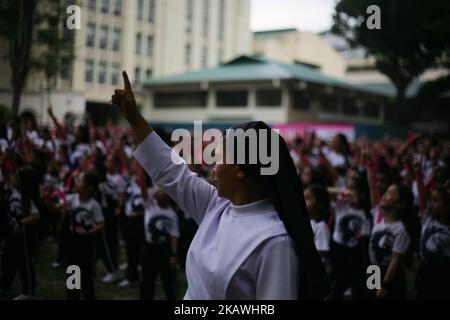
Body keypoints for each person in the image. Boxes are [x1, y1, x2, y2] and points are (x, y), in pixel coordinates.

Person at [111, 71, 328, 299]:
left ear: (240, 170)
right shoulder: (217, 206)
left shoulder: (275, 242)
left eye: (219, 157)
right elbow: (171, 171)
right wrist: (134, 118)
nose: (213, 165)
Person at [0, 167, 40, 300]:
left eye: (16, 176)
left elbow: (35, 215)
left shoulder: (27, 197)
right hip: (11, 233)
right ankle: (5, 284)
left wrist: (22, 223)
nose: (13, 178)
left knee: (25, 263)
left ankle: (29, 291)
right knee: (7, 259)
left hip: (23, 236)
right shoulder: (13, 191)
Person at [65, 171, 104, 300]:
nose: (76, 182)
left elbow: (100, 223)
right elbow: (58, 208)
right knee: (73, 269)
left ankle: (88, 296)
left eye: (80, 181)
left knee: (87, 273)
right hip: (72, 241)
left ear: (90, 187)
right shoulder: (72, 199)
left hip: (86, 243)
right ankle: (73, 296)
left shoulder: (94, 205)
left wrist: (88, 232)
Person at [368, 184, 412, 299]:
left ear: (400, 204)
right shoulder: (378, 216)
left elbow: (395, 260)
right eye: (386, 192)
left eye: (390, 194)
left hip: (391, 275)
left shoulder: (400, 229)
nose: (384, 195)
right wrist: (369, 167)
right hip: (374, 269)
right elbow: (372, 187)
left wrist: (385, 284)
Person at [140, 187, 179, 300]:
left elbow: (174, 236)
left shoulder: (171, 214)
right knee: (147, 281)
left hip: (164, 249)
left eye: (162, 190)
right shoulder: (149, 206)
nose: (158, 191)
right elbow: (144, 191)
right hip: (149, 248)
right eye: (157, 190)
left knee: (168, 281)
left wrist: (173, 254)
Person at [416, 187, 450, 299]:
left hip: (441, 274)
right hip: (425, 270)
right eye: (430, 200)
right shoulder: (427, 218)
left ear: (447, 207)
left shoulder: (447, 230)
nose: (431, 204)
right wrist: (418, 174)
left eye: (436, 201)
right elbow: (422, 195)